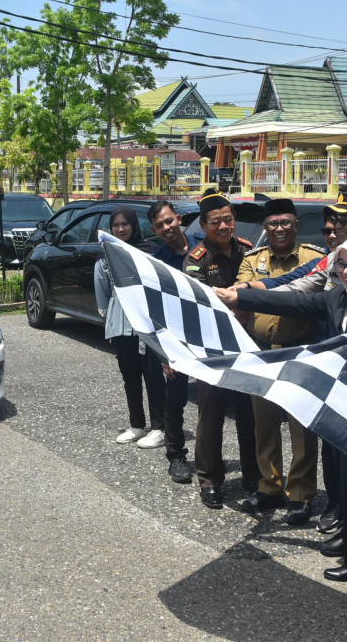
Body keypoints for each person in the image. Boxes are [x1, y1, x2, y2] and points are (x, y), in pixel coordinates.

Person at [216, 234, 347, 600]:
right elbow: (294, 300)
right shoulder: (339, 297)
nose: (345, 272)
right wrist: (241, 296)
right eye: (340, 265)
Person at [234, 198, 326, 525]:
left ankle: (301, 495)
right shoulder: (252, 260)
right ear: (265, 228)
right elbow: (244, 290)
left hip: (301, 351)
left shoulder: (315, 259)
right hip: (261, 352)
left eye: (286, 222)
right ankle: (269, 486)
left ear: (297, 225)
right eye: (273, 223)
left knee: (302, 428)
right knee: (265, 424)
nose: (280, 229)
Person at [184, 189, 258, 509]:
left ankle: (254, 476)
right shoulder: (196, 259)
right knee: (210, 417)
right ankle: (210, 479)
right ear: (203, 226)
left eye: (228, 219)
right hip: (214, 350)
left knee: (249, 415)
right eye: (216, 222)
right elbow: (200, 302)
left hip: (249, 349)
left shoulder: (249, 251)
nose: (224, 226)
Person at [94, 207, 165, 448]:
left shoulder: (150, 252)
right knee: (130, 376)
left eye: (125, 224)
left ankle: (159, 427)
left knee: (153, 375)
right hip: (121, 324)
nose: (121, 229)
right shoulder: (106, 255)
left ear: (134, 225)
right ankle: (136, 425)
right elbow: (103, 291)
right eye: (116, 225)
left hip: (147, 323)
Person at [147, 199, 202, 484]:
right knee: (175, 401)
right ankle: (176, 456)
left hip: (207, 337)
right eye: (159, 226)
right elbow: (154, 312)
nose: (166, 228)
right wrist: (164, 354)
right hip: (176, 341)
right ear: (155, 230)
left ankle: (207, 458)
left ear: (179, 219)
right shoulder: (156, 262)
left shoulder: (204, 248)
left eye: (169, 221)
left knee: (211, 401)